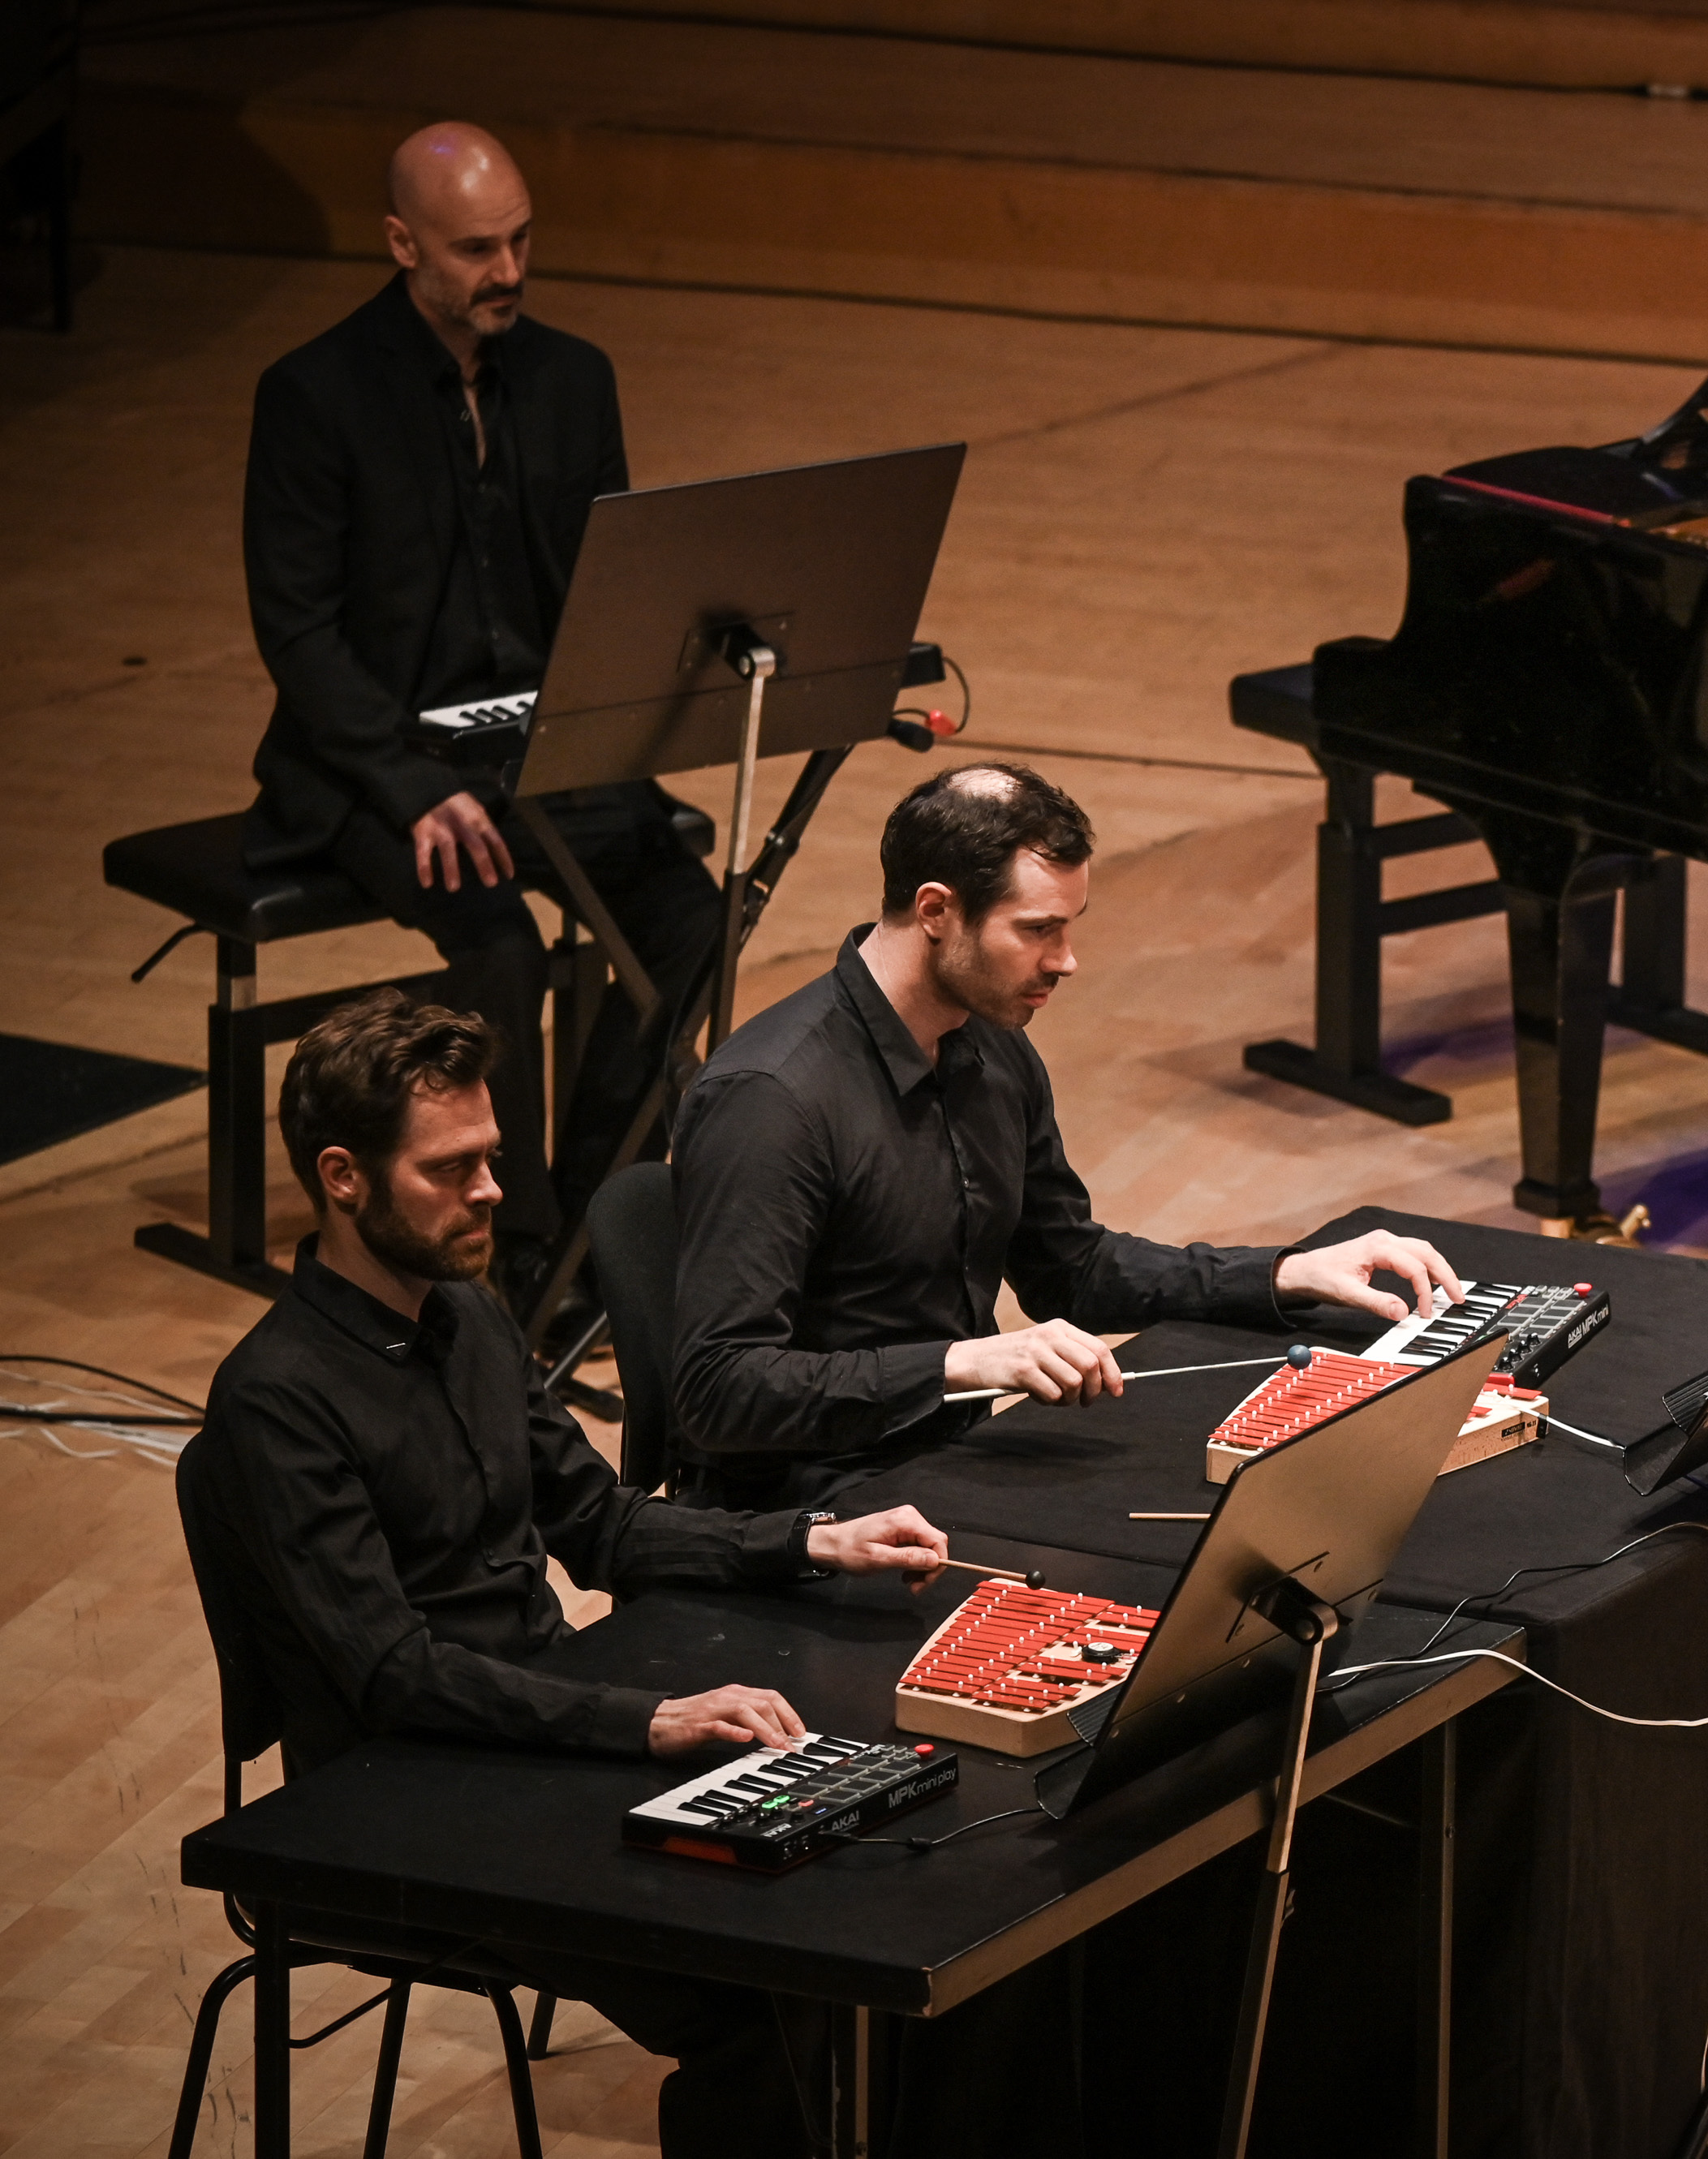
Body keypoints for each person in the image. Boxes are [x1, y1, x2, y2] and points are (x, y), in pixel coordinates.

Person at [179, 991, 955, 2157]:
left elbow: (596, 1523)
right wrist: (645, 1721)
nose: (492, 1190)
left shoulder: (469, 1313)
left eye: (491, 1157)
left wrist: (808, 1540)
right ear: (343, 1178)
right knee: (763, 1992)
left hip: (535, 1732)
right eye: (451, 1169)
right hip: (400, 1795)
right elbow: (392, 1675)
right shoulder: (276, 1399)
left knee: (862, 1900)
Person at [669, 762, 1469, 1508]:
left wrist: (1288, 1273)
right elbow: (717, 1390)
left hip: (950, 1457)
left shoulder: (991, 1044)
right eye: (1038, 930)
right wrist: (959, 1364)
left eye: (1069, 927)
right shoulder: (772, 1101)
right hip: (806, 1511)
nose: (1067, 961)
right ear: (936, 912)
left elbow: (1069, 1269)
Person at [241, 119, 719, 1304]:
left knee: (693, 921)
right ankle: (515, 1246)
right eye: (474, 250)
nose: (507, 271)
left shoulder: (573, 379)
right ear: (403, 243)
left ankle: (601, 1213)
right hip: (378, 763)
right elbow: (298, 632)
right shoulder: (313, 394)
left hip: (540, 750)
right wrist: (415, 785)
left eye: (519, 242)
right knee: (500, 948)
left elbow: (609, 583)